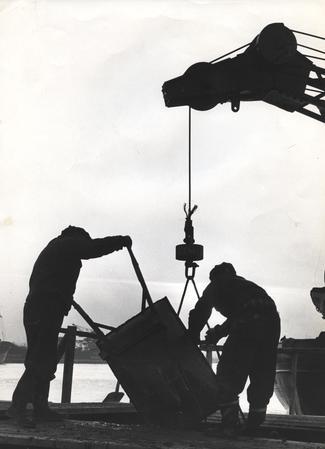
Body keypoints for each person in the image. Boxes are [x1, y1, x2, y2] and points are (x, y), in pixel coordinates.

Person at [7, 226, 132, 427]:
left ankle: (40, 408)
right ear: (79, 238)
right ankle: (18, 407)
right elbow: (92, 249)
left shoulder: (57, 248)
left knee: (43, 358)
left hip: (42, 307)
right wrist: (119, 241)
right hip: (44, 308)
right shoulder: (67, 243)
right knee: (40, 360)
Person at [188, 262, 280, 436]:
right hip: (272, 323)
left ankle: (230, 425)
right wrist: (220, 332)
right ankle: (254, 424)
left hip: (247, 324)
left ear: (214, 278)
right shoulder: (249, 287)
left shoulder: (216, 285)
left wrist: (192, 337)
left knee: (227, 374)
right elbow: (248, 311)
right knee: (262, 372)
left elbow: (200, 312)